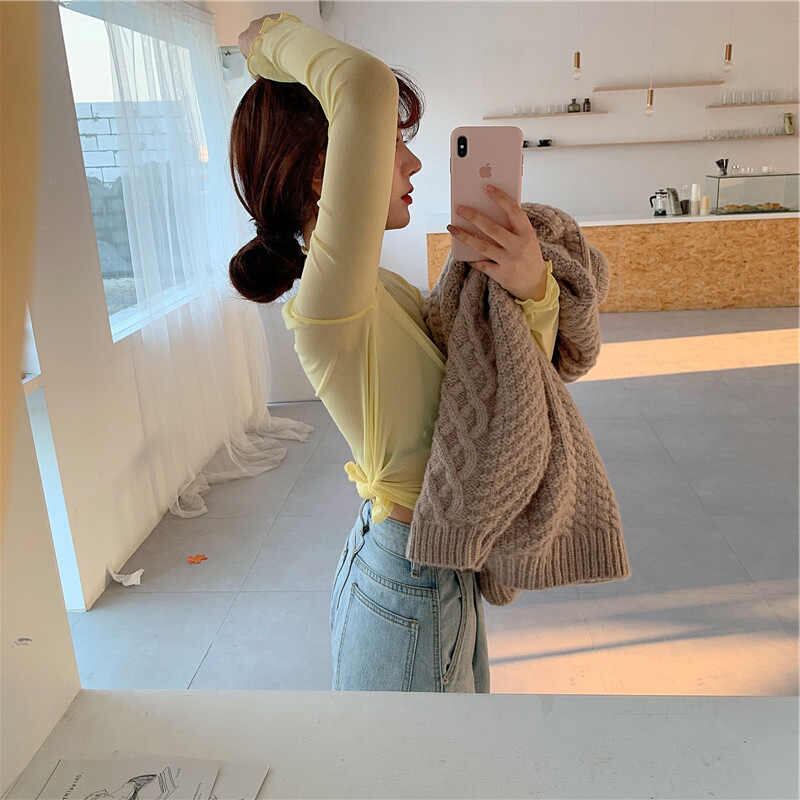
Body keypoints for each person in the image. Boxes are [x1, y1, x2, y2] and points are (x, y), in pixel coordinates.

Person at [231, 12, 561, 693]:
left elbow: (516, 385)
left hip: (432, 562)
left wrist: (532, 285)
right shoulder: (329, 305)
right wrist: (264, 42)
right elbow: (362, 83)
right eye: (392, 144)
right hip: (412, 575)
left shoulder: (377, 288)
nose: (413, 163)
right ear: (323, 171)